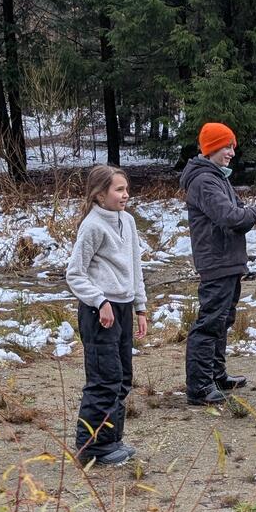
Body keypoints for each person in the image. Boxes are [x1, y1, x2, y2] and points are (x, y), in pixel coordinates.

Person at [179, 122, 256, 405]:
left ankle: (215, 375)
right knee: (210, 323)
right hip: (217, 261)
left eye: (233, 146)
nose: (232, 151)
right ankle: (198, 387)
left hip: (227, 260)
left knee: (222, 320)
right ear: (210, 148)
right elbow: (230, 218)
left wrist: (250, 214)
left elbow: (234, 216)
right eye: (226, 146)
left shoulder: (217, 177)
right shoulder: (205, 181)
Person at [65, 164, 149, 467]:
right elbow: (75, 274)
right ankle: (90, 447)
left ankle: (111, 440)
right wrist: (100, 301)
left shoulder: (127, 221)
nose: (125, 195)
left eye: (126, 189)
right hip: (99, 312)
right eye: (118, 189)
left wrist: (140, 306)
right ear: (100, 194)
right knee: (104, 380)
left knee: (122, 378)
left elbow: (135, 266)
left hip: (124, 308)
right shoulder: (92, 226)